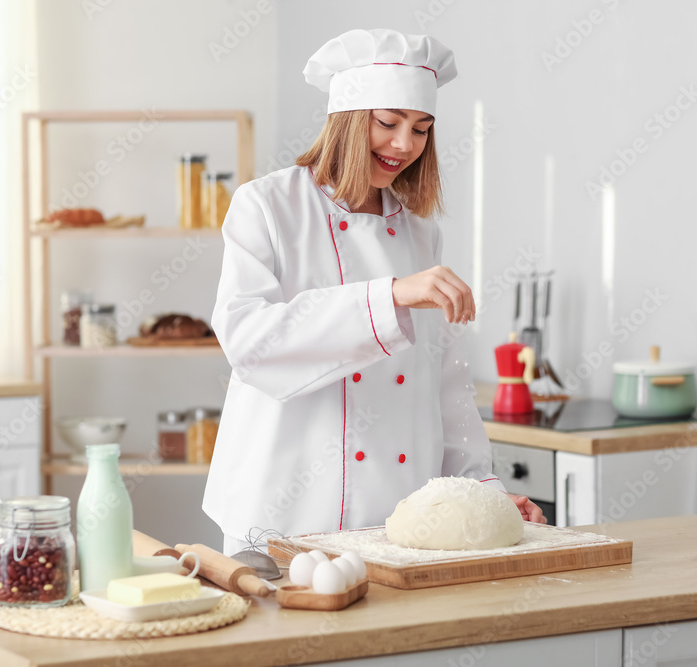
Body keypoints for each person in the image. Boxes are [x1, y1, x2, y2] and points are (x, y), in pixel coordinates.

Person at [204, 28, 545, 556]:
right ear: (346, 121)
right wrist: (388, 297)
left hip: (400, 518)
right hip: (281, 514)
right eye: (387, 123)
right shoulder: (266, 206)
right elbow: (248, 342)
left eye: (421, 128)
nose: (405, 145)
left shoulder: (420, 232)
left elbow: (446, 385)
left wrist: (482, 490)